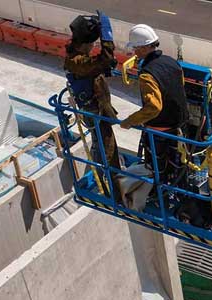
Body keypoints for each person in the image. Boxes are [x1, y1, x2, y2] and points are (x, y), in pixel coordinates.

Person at [120, 24, 190, 185]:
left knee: (158, 168)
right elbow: (180, 85)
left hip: (160, 131)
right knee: (179, 164)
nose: (135, 53)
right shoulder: (172, 62)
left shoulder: (147, 75)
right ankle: (178, 189)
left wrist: (130, 121)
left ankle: (161, 193)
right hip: (180, 125)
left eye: (136, 48)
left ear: (144, 48)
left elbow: (153, 107)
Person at [64, 11, 120, 197]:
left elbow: (98, 67)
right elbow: (104, 59)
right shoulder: (77, 62)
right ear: (85, 44)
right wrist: (107, 35)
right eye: (93, 44)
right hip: (94, 110)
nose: (93, 47)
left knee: (103, 142)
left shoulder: (78, 58)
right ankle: (110, 185)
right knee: (105, 145)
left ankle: (110, 176)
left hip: (98, 107)